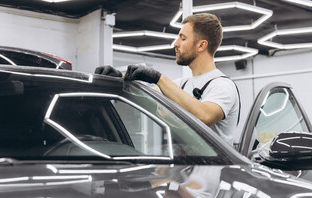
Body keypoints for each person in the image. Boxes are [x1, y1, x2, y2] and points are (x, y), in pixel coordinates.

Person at [95, 13, 240, 146]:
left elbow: (204, 116)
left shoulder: (222, 85)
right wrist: (120, 79)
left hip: (214, 171)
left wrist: (158, 78)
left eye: (183, 38)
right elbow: (145, 95)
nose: (176, 44)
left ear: (202, 45)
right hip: (186, 168)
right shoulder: (183, 84)